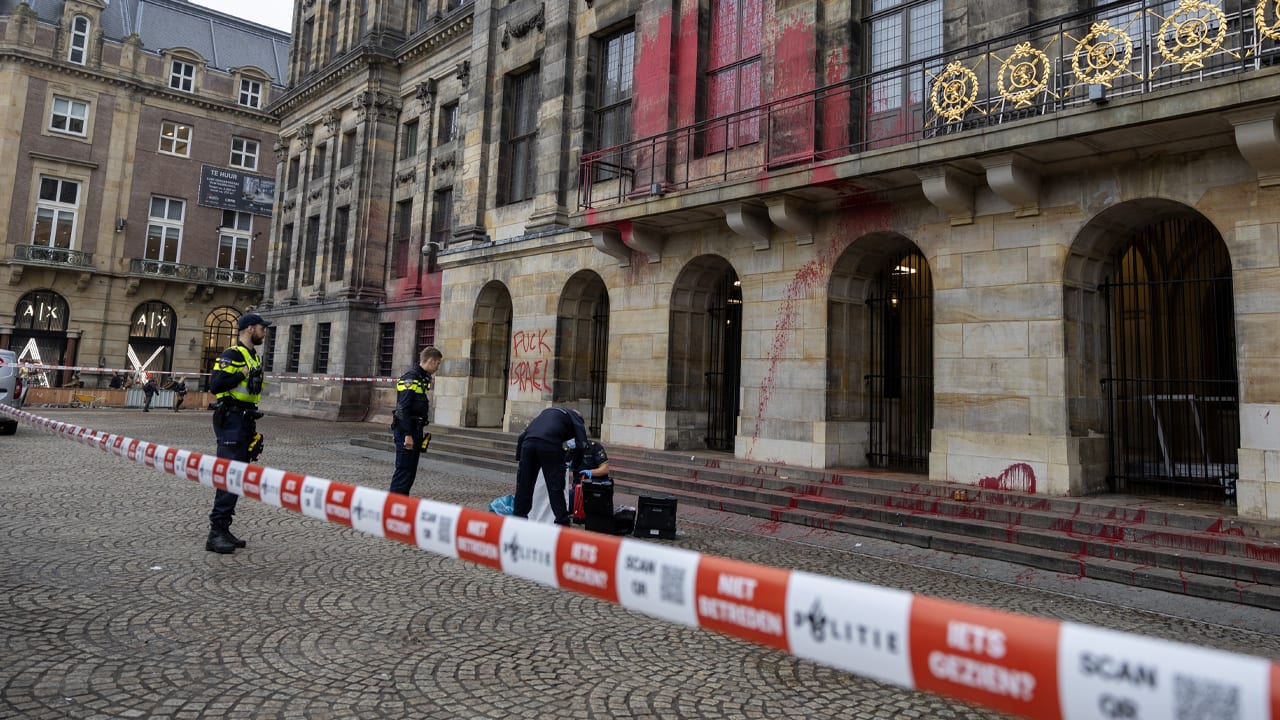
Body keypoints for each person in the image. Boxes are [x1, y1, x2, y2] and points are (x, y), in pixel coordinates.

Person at [205, 312, 271, 554]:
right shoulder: (232, 354)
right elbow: (215, 385)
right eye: (262, 328)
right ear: (250, 328)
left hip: (244, 419)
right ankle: (215, 533)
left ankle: (224, 529)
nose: (264, 332)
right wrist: (240, 374)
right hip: (230, 418)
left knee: (237, 476)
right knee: (228, 473)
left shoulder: (253, 357)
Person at [513, 407, 588, 526]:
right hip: (549, 444)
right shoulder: (575, 418)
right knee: (555, 486)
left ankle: (518, 519)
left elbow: (522, 436)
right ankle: (562, 522)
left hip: (528, 444)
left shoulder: (546, 413)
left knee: (524, 484)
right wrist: (575, 464)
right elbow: (582, 445)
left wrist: (520, 458)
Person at [390, 346, 443, 496]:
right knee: (404, 470)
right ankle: (394, 504)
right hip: (407, 430)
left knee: (410, 471)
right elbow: (402, 408)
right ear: (431, 360)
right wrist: (408, 434)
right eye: (437, 363)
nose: (437, 367)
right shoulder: (410, 378)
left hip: (416, 428)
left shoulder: (421, 378)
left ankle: (402, 502)